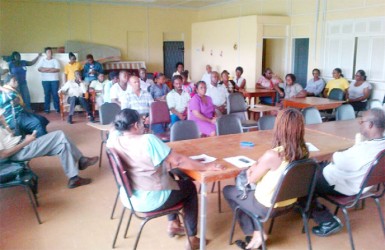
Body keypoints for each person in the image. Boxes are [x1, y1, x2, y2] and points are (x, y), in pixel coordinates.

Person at [106, 108, 223, 250]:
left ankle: (174, 224)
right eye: (142, 122)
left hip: (129, 197)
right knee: (189, 188)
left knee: (171, 176)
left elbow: (113, 129)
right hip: (150, 199)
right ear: (136, 125)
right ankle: (192, 238)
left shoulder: (112, 141)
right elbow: (178, 161)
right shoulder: (148, 140)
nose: (144, 124)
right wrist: (206, 166)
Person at [223, 108, 309, 249]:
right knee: (246, 195)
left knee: (229, 191)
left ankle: (254, 233)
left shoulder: (273, 155)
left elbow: (251, 179)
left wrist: (253, 167)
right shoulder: (304, 151)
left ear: (279, 128)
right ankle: (257, 233)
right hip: (291, 202)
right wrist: (260, 163)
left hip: (266, 207)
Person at [310, 108, 385, 237]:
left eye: (362, 122)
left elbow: (336, 158)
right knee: (317, 167)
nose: (360, 124)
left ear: (370, 125)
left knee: (302, 181)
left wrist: (335, 155)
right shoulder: (379, 145)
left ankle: (327, 220)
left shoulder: (364, 150)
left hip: (344, 186)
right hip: (363, 184)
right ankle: (307, 203)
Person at [0, 109, 99, 189]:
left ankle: (74, 178)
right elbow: (3, 154)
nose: (2, 116)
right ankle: (81, 159)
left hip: (21, 145)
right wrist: (27, 141)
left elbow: (11, 136)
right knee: (60, 134)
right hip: (20, 151)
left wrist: (4, 123)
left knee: (62, 146)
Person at [37, 47, 60, 113]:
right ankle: (47, 109)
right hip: (45, 80)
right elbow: (39, 69)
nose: (50, 53)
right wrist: (51, 69)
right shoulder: (42, 60)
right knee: (47, 94)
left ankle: (57, 108)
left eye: (51, 52)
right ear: (46, 53)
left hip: (54, 80)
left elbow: (57, 69)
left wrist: (45, 69)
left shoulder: (55, 60)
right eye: (48, 52)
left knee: (55, 94)